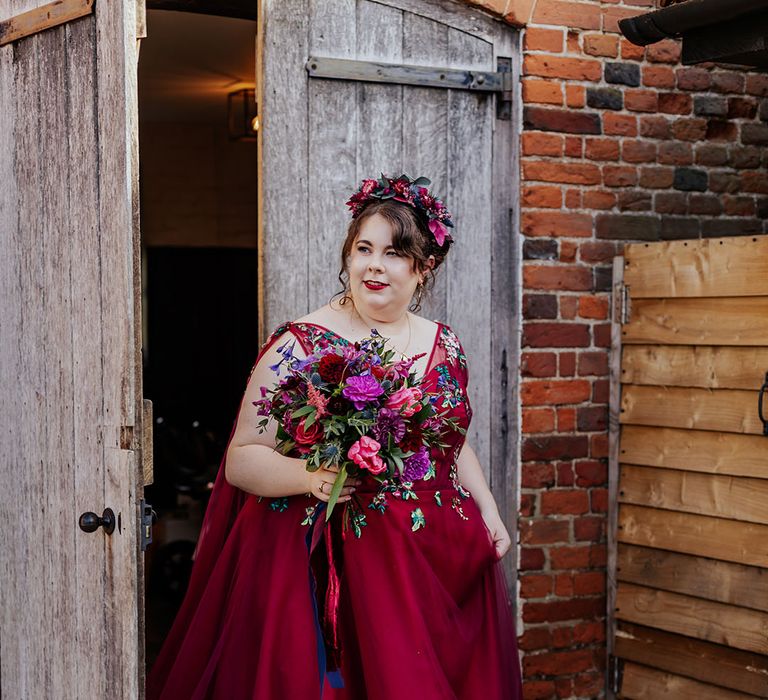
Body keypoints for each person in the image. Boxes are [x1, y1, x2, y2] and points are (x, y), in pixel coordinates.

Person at [147, 174, 523, 699]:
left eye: (394, 253)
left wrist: (486, 507)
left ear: (425, 267)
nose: (374, 264)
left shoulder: (446, 344)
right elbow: (241, 459)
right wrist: (313, 475)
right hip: (333, 566)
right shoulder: (297, 345)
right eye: (363, 248)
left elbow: (449, 442)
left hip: (436, 556)